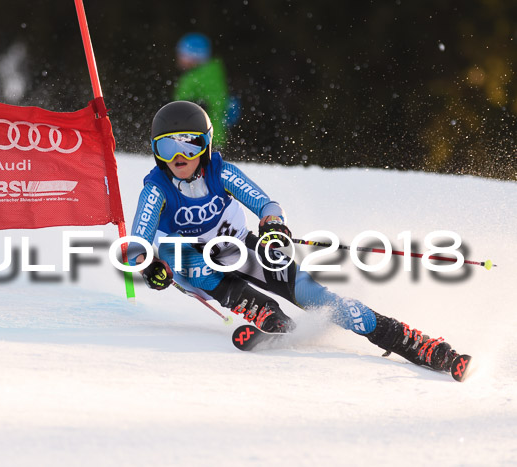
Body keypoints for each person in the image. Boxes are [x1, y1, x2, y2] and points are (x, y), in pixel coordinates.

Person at [127, 100, 462, 373]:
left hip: (238, 248)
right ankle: (261, 309)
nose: (179, 156)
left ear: (207, 144)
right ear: (156, 151)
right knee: (180, 256)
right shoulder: (155, 188)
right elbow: (136, 246)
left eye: (190, 143)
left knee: (320, 298)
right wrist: (149, 267)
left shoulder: (219, 171)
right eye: (167, 147)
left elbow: (265, 203)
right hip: (192, 267)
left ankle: (412, 342)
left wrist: (273, 225)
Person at [173, 33, 234, 148]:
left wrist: (193, 106)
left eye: (182, 54)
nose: (179, 57)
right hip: (196, 134)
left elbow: (216, 101)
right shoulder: (196, 75)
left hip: (204, 136)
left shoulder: (205, 76)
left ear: (194, 57)